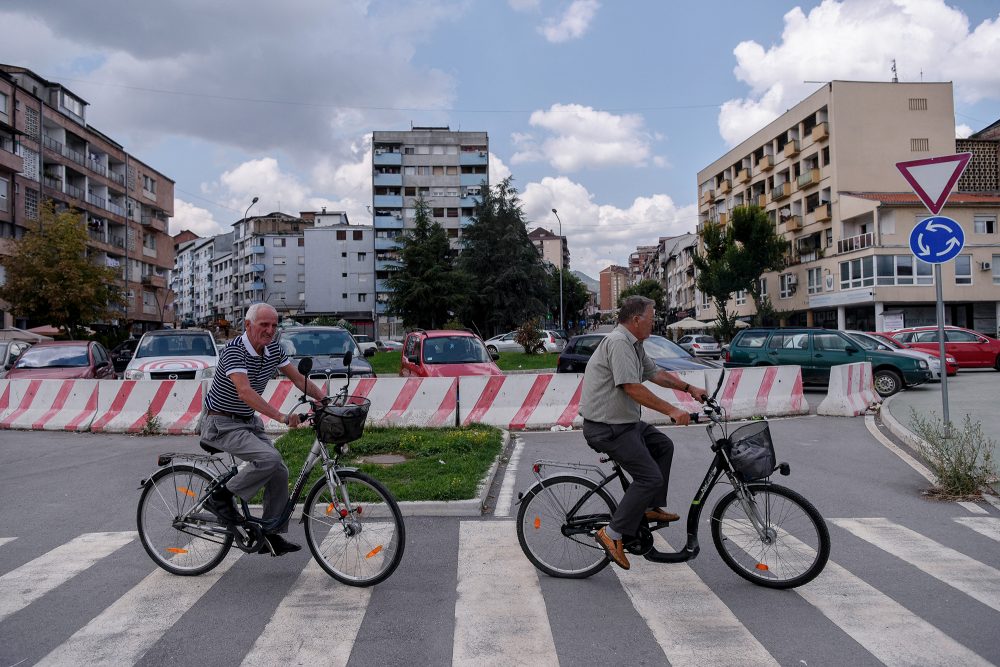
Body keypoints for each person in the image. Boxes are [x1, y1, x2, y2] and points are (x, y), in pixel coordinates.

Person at [579, 295, 706, 570]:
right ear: (636, 320)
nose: (654, 322)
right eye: (651, 318)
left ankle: (649, 506)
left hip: (624, 422)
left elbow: (655, 374)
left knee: (663, 446)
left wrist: (689, 389)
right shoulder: (618, 343)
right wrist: (672, 410)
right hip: (607, 427)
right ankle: (611, 534)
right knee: (649, 477)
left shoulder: (634, 345)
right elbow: (632, 387)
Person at [201, 303, 327, 556]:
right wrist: (281, 416)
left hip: (247, 421)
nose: (270, 330)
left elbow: (297, 378)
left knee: (279, 470)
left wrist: (323, 400)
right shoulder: (234, 350)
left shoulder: (273, 349)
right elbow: (244, 391)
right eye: (264, 325)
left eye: (274, 325)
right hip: (221, 422)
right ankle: (220, 497)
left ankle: (270, 534)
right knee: (270, 458)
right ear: (247, 325)